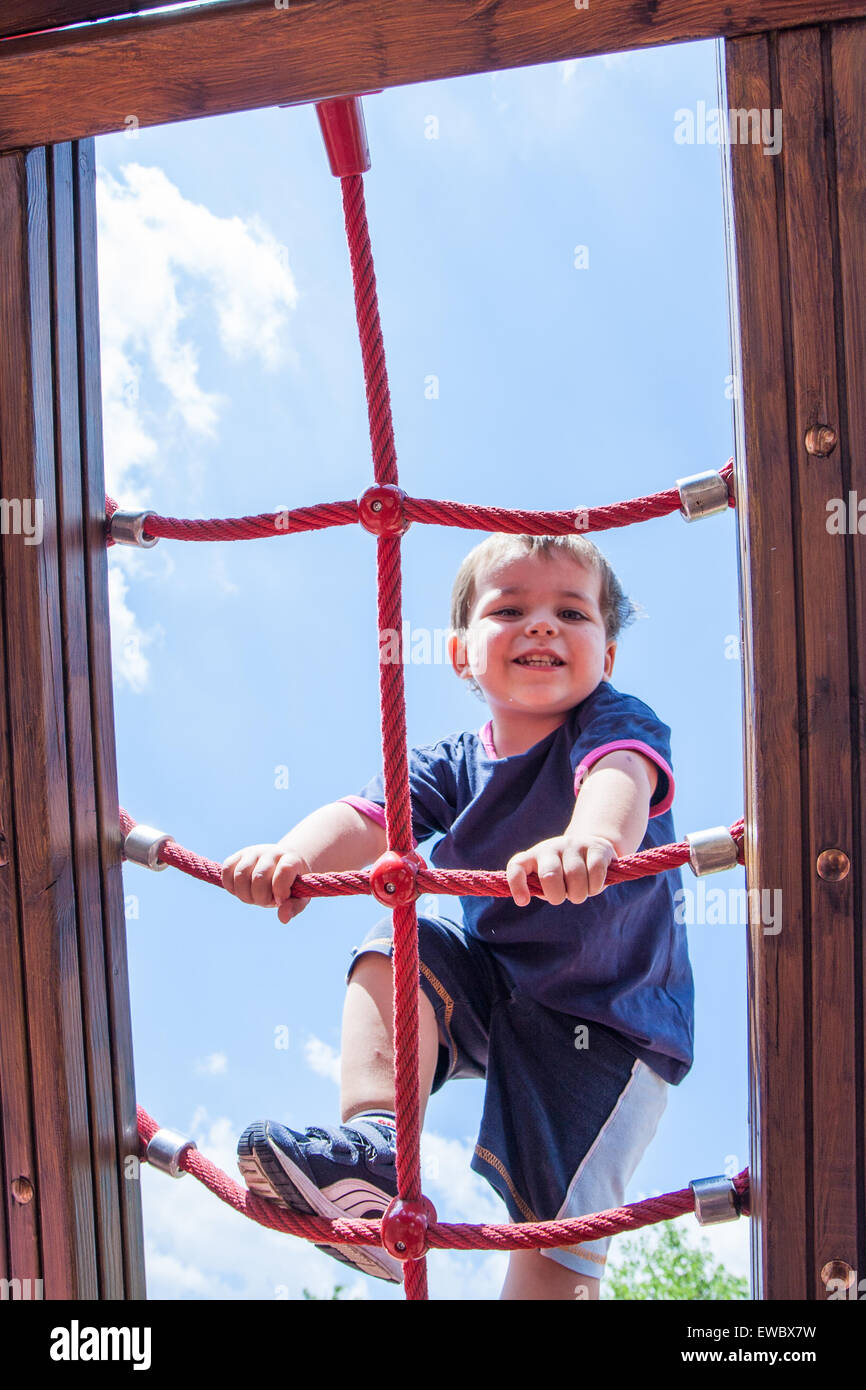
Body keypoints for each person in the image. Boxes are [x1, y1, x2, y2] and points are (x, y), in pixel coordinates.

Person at [220, 532, 693, 1300]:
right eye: (511, 609)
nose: (542, 625)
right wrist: (293, 855)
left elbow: (623, 782)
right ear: (463, 654)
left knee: (550, 1245)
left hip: (610, 1025)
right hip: (496, 992)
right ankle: (374, 1150)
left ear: (606, 656)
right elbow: (370, 815)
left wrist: (591, 840)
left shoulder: (612, 722)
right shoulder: (451, 761)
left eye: (571, 612)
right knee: (398, 944)